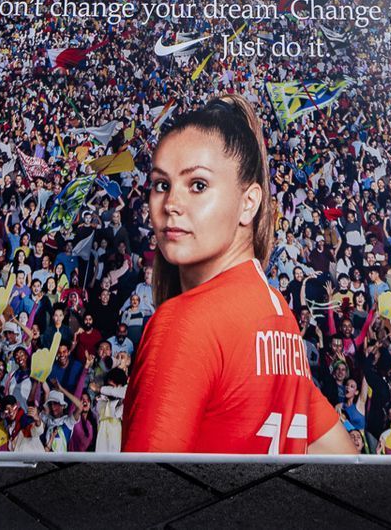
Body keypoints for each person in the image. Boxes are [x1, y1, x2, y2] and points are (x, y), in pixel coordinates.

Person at [122, 96, 360, 454]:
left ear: (249, 203)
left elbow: (140, 500)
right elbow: (344, 458)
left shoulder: (186, 324)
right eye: (161, 184)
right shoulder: (279, 314)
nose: (171, 203)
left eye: (198, 185)